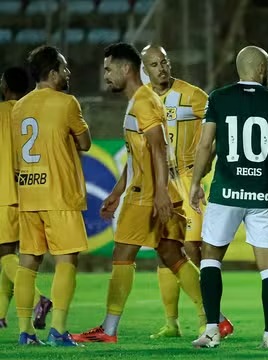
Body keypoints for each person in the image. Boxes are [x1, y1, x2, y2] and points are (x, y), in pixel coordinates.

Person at [72, 43, 205, 343]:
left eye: (108, 69)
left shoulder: (142, 101)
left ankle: (108, 330)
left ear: (125, 69)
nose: (105, 75)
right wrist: (117, 191)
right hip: (152, 189)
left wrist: (158, 193)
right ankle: (214, 318)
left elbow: (158, 147)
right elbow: (138, 155)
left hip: (147, 194)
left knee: (122, 255)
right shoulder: (142, 99)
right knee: (173, 254)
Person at [189, 46, 268, 349]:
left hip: (226, 191)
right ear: (263, 68)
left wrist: (196, 181)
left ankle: (212, 329)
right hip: (264, 193)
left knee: (211, 259)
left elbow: (205, 145)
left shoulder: (219, 97)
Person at [140, 44, 234, 340]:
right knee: (164, 250)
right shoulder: (142, 100)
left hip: (188, 179)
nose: (162, 68)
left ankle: (210, 319)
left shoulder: (193, 95)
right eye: (155, 64)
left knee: (193, 247)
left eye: (165, 61)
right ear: (146, 69)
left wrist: (204, 168)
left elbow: (220, 130)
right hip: (161, 184)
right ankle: (172, 323)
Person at [12, 46, 92, 346]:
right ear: (52, 72)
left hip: (29, 193)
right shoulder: (66, 103)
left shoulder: (19, 107)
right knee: (66, 262)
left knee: (27, 262)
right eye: (64, 67)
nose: (68, 73)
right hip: (59, 194)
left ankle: (25, 332)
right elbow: (84, 142)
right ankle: (58, 330)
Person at [0, 67, 53, 332]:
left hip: (4, 193)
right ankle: (0, 313)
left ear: (6, 85)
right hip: (30, 191)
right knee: (12, 253)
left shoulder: (1, 112)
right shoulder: (29, 111)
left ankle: (37, 300)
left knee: (5, 253)